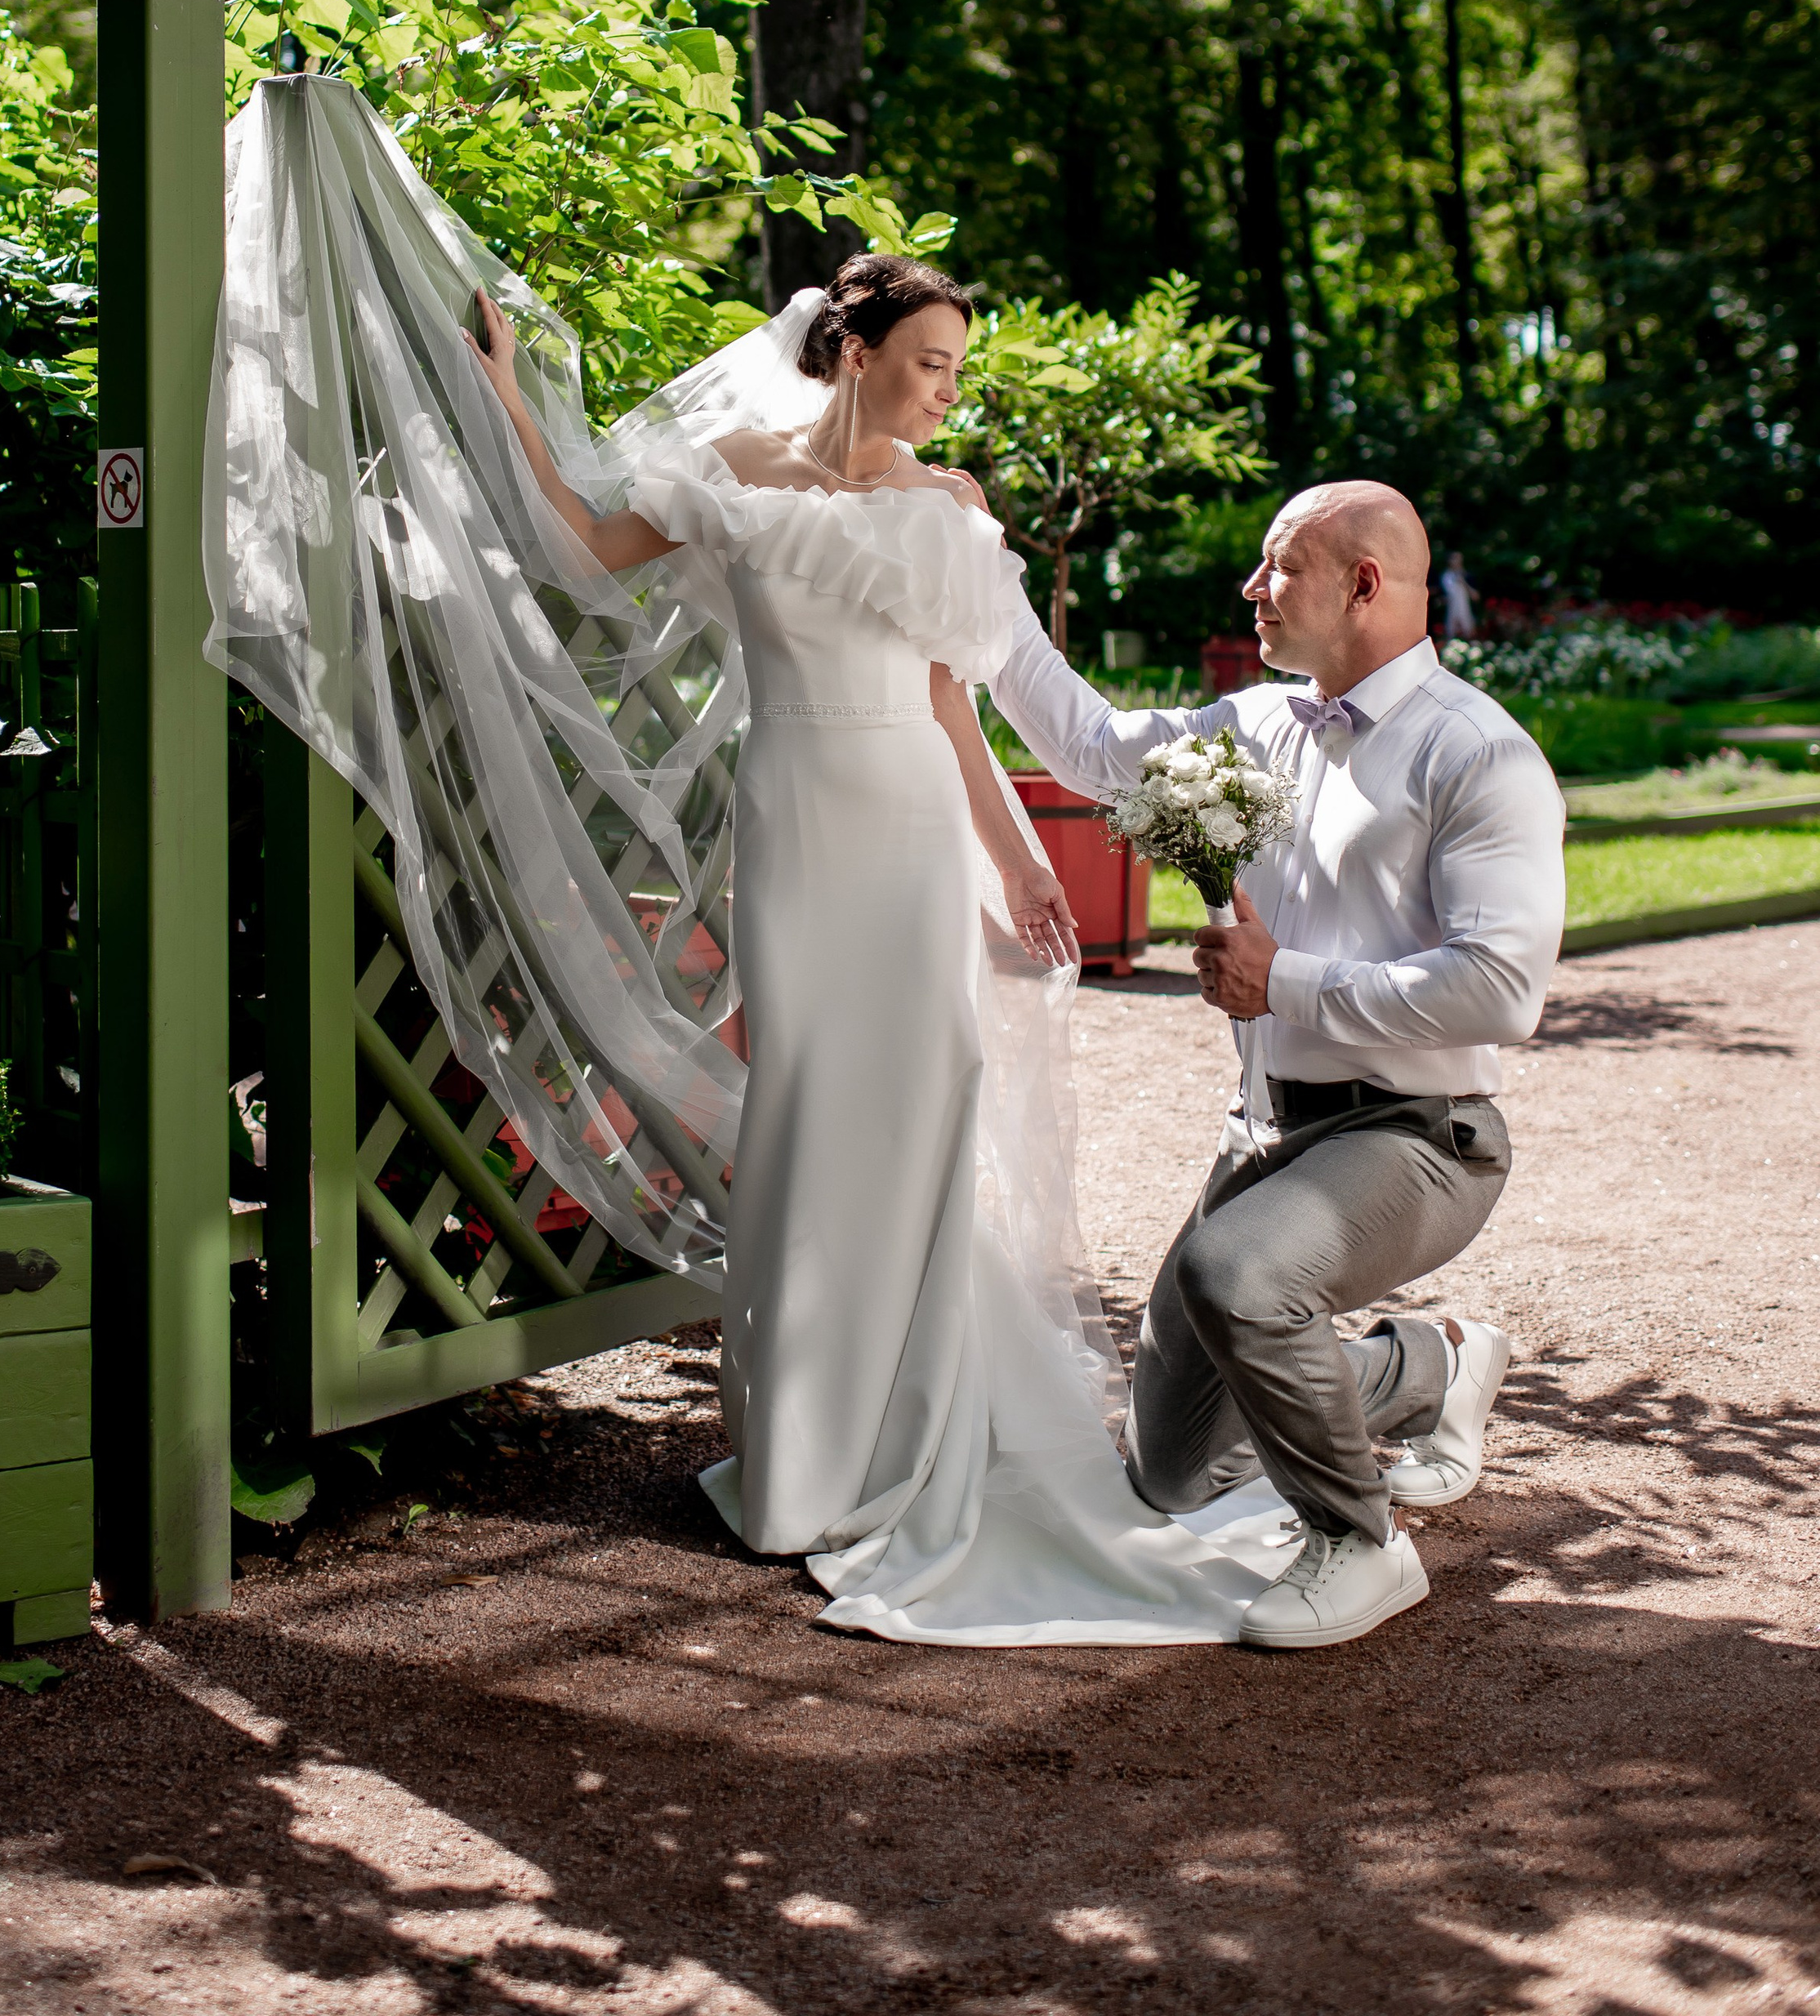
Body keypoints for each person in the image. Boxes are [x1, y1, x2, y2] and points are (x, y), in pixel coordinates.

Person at [468, 252, 1296, 1646]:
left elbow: (946, 699)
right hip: (794, 812)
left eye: (959, 370)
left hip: (910, 824)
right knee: (804, 1117)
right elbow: (583, 543)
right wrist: (505, 395)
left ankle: (913, 1429)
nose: (946, 392)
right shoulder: (737, 464)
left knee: (922, 1105)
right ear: (852, 353)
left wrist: (1017, 856)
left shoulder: (949, 507)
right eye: (929, 363)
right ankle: (799, 1455)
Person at [989, 480, 1565, 1650]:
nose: (1253, 588)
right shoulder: (1257, 726)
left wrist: (1284, 979)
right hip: (1263, 1134)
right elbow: (1097, 749)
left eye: (1276, 566)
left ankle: (1358, 1539)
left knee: (1235, 1274)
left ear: (1361, 583)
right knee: (1163, 1472)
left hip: (1420, 1135)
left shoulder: (1478, 756)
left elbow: (1504, 991)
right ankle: (1422, 1369)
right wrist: (982, 578)